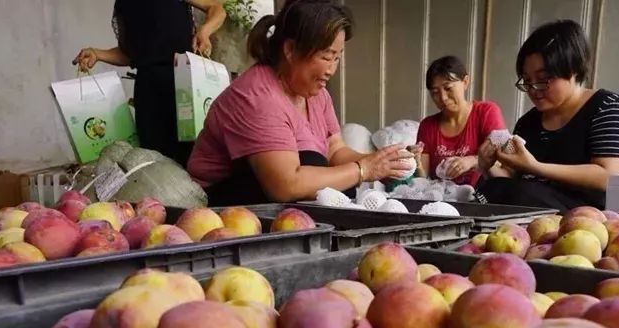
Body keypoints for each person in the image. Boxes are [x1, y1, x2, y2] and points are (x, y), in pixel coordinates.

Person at [187, 0, 410, 204]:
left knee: (337, 180)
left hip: (274, 189)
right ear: (291, 50)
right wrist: (362, 170)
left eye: (337, 57)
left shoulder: (316, 93)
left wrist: (384, 163)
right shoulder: (257, 97)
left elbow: (334, 151)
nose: (331, 69)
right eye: (326, 56)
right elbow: (286, 186)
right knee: (320, 171)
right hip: (218, 202)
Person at [476, 20, 619, 211]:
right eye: (527, 81)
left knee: (524, 193)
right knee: (490, 188)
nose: (534, 89)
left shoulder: (608, 108)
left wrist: (535, 167)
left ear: (574, 70)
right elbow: (510, 181)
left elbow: (608, 177)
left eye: (544, 79)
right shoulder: (528, 122)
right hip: (532, 216)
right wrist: (487, 166)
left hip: (587, 220)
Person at [73, 0, 227, 167]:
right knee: (154, 161)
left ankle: (199, 192)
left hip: (185, 85)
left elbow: (217, 9)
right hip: (149, 91)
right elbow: (131, 55)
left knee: (193, 155)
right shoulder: (125, 5)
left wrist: (204, 32)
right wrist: (98, 54)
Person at [414, 56, 506, 187]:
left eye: (448, 88)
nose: (443, 98)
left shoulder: (486, 112)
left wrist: (472, 161)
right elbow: (423, 180)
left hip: (481, 197)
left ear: (465, 82)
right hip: (442, 201)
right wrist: (415, 163)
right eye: (435, 92)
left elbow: (502, 165)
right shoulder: (427, 126)